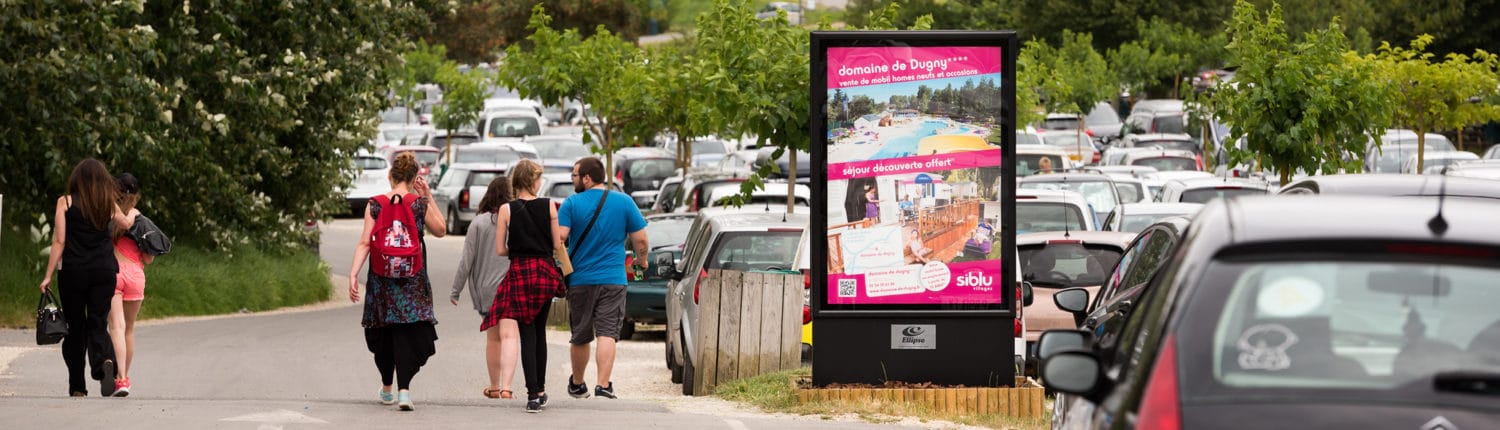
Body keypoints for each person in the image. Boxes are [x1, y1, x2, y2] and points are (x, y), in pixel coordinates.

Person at [348, 152, 447, 411]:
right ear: (415, 178)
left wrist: (353, 274)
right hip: (412, 278)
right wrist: (427, 196)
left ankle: (387, 388)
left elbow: (364, 242)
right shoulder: (418, 203)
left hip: (381, 278)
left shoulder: (376, 204)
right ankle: (404, 391)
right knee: (407, 332)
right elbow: (441, 230)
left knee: (383, 331)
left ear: (390, 176)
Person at [40, 159, 136, 397]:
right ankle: (103, 361)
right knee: (97, 322)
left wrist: (48, 275)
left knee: (75, 328)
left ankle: (77, 387)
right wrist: (132, 213)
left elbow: (60, 241)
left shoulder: (65, 201)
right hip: (103, 271)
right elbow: (124, 223)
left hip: (73, 272)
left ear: (76, 179)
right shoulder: (107, 202)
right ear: (103, 179)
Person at [558, 157, 648, 400]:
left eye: (575, 176)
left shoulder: (571, 204)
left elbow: (560, 237)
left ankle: (577, 384)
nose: (573, 180)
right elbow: (640, 239)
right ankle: (603, 384)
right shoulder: (624, 202)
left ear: (587, 178)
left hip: (579, 279)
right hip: (613, 279)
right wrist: (642, 260)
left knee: (580, 334)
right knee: (607, 332)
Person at [481, 159, 566, 413]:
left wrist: (517, 251)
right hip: (543, 272)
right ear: (532, 180)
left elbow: (499, 249)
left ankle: (532, 395)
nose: (541, 183)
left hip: (519, 272)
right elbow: (556, 245)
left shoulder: (506, 210)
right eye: (538, 178)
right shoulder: (549, 206)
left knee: (527, 332)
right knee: (540, 332)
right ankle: (539, 390)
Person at [449, 176, 512, 400]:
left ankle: (494, 387)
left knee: (494, 339)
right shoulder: (515, 220)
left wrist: (455, 290)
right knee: (510, 338)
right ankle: (507, 386)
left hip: (487, 291)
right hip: (512, 287)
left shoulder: (478, 223)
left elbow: (467, 260)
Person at [106, 173, 152, 397]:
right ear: (135, 195)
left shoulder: (109, 213)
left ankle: (119, 375)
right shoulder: (141, 220)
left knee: (116, 327)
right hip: (135, 274)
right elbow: (149, 257)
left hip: (113, 272)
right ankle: (123, 378)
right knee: (129, 329)